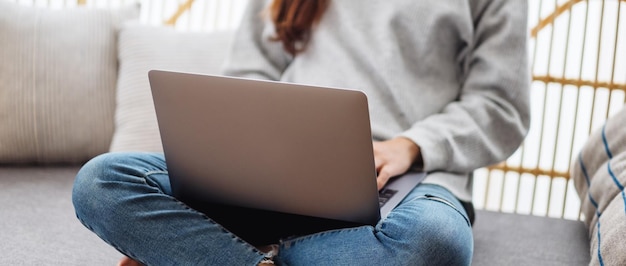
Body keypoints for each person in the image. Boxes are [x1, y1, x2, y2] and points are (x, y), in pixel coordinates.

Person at [72, 0, 530, 265]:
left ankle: (213, 254)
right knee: (102, 182)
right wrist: (262, 142)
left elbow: (501, 107)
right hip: (277, 172)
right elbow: (249, 69)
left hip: (413, 183)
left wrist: (407, 146)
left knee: (436, 242)